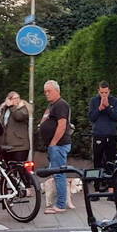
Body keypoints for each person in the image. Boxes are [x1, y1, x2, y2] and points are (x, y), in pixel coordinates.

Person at [40, 80, 72, 214]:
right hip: (55, 145)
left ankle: (60, 205)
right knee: (58, 174)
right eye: (45, 91)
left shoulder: (60, 105)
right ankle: (62, 202)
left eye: (49, 91)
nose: (47, 94)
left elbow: (62, 125)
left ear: (57, 91)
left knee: (59, 175)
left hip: (58, 145)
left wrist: (53, 142)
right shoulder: (53, 105)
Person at [88, 81, 117, 184]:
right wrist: (99, 108)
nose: (104, 95)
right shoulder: (94, 101)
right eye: (102, 92)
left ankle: (111, 188)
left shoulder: (115, 101)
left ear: (109, 91)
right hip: (98, 134)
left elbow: (116, 117)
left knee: (110, 162)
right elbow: (91, 118)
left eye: (106, 92)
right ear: (98, 91)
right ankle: (97, 188)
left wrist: (108, 107)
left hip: (111, 134)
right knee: (97, 161)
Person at [0, 90, 32, 162]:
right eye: (13, 98)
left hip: (20, 146)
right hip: (7, 146)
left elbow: (19, 117)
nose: (16, 100)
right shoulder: (5, 110)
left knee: (19, 168)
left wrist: (12, 106)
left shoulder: (23, 109)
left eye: (18, 98)